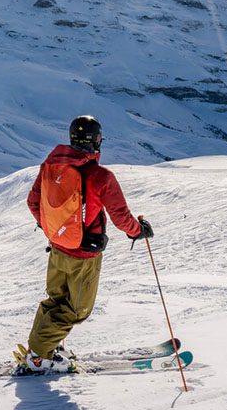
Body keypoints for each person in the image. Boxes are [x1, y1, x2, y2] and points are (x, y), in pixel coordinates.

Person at [14, 115, 153, 374]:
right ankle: (38, 356)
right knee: (77, 309)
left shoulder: (50, 167)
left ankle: (45, 347)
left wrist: (56, 229)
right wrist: (138, 232)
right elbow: (121, 217)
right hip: (83, 256)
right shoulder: (100, 177)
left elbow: (33, 203)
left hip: (57, 248)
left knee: (56, 300)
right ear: (97, 141)